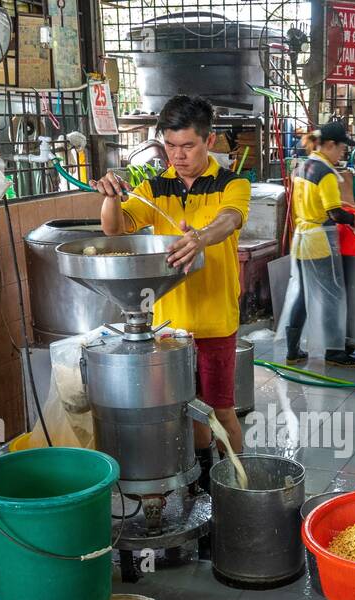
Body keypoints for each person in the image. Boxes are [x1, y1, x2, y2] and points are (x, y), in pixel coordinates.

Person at [92, 94, 249, 487]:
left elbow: (229, 221)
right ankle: (200, 480)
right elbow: (115, 229)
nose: (178, 155)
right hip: (168, 329)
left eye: (188, 146)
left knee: (221, 409)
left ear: (208, 142)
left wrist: (200, 236)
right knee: (187, 409)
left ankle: (238, 481)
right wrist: (111, 197)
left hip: (214, 322)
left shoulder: (232, 183)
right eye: (171, 145)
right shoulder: (155, 188)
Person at [276, 121, 355, 368]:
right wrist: (354, 220)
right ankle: (335, 353)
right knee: (331, 296)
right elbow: (334, 213)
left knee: (304, 295)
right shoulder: (325, 172)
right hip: (319, 241)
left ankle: (293, 351)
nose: (342, 155)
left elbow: (317, 204)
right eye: (342, 149)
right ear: (330, 145)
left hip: (302, 239)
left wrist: (342, 209)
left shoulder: (306, 167)